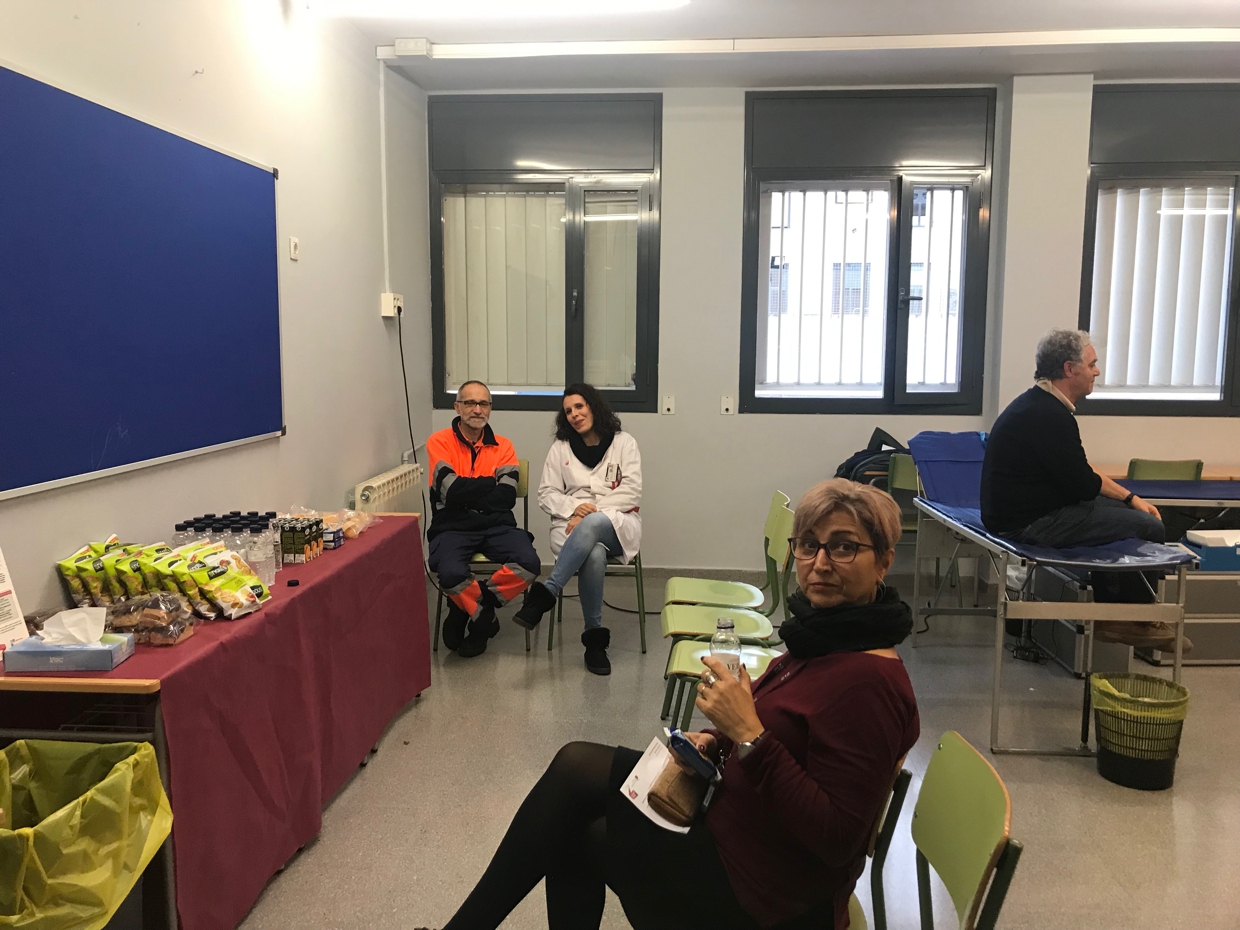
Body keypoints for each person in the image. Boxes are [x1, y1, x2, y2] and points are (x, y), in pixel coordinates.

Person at [436, 479, 919, 930]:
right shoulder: (831, 637)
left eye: (844, 547)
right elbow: (786, 733)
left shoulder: (869, 684)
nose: (820, 562)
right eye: (809, 544)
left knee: (574, 813)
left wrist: (749, 736)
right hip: (737, 829)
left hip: (766, 893)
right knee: (573, 786)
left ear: (884, 561)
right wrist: (718, 740)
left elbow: (837, 839)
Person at [980, 328, 1189, 651]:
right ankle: (1131, 619)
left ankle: (1120, 612)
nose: (1097, 371)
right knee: (1148, 525)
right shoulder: (1050, 416)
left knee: (1126, 514)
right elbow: (1083, 485)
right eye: (1091, 364)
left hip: (1022, 515)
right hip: (1029, 524)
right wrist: (1130, 503)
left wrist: (1130, 498)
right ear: (1069, 369)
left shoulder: (1036, 405)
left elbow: (1081, 472)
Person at [511, 384, 641, 676]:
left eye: (579, 406)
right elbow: (546, 493)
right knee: (593, 555)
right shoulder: (561, 447)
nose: (574, 414)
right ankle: (594, 641)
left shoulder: (624, 443)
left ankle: (548, 591)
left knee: (593, 524)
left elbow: (631, 492)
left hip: (617, 524)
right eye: (568, 410)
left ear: (593, 406)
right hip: (569, 523)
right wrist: (574, 508)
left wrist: (589, 512)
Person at [426, 381, 541, 659]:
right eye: (470, 403)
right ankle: (484, 618)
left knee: (529, 564)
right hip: (452, 526)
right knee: (450, 574)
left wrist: (465, 493)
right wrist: (490, 483)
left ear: (490, 408)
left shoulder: (504, 446)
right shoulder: (438, 442)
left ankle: (473, 607)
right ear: (457, 407)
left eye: (484, 404)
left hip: (497, 525)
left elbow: (506, 497)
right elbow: (450, 491)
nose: (477, 409)